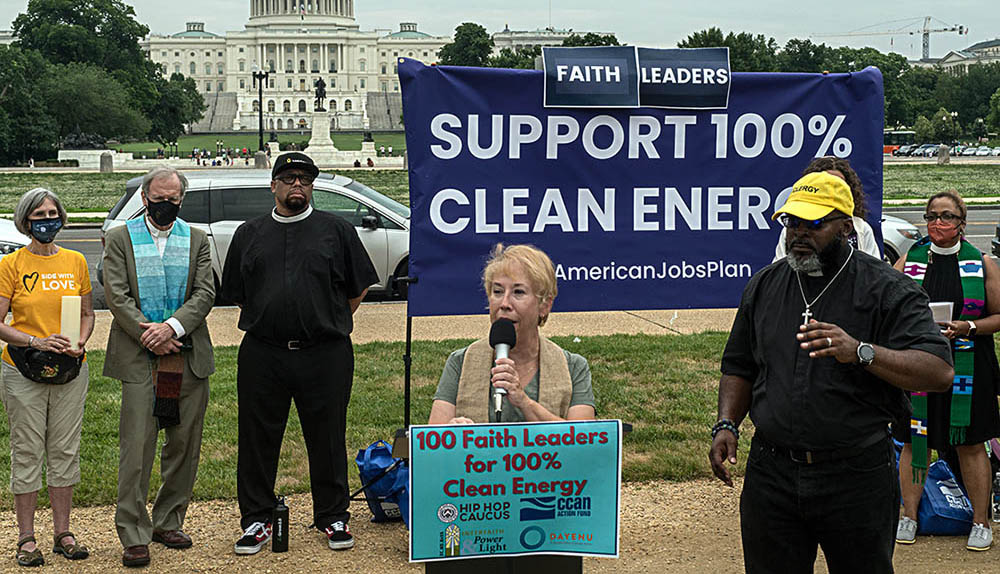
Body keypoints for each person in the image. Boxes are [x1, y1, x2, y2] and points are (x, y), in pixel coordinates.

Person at [709, 170, 954, 574]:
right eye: (793, 222)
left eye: (814, 224)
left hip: (855, 474)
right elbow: (739, 366)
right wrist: (727, 424)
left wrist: (860, 351)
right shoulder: (765, 286)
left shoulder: (887, 289)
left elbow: (939, 370)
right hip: (772, 472)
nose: (800, 233)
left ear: (845, 225)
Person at [221, 152, 378, 556]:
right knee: (257, 438)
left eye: (305, 180)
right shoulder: (249, 233)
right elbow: (239, 294)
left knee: (327, 436)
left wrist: (324, 319)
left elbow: (357, 290)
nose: (297, 186)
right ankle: (256, 517)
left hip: (324, 352)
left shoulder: (336, 231)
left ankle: (332, 515)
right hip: (264, 353)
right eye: (289, 178)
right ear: (273, 185)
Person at [103, 166, 215, 568]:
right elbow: (115, 293)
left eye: (173, 198)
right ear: (145, 197)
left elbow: (206, 292)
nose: (165, 204)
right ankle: (133, 532)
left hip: (186, 355)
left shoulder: (198, 239)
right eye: (158, 197)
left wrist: (171, 327)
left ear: (180, 199)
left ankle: (169, 520)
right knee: (137, 448)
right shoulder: (120, 239)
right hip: (139, 358)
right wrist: (148, 333)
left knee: (184, 445)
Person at [892, 190, 1000, 551]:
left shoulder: (982, 263)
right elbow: (886, 306)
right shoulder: (910, 261)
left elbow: (998, 316)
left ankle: (981, 521)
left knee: (971, 444)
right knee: (913, 440)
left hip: (968, 366)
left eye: (947, 216)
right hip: (919, 364)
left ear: (962, 223)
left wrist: (968, 327)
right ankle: (909, 515)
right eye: (932, 215)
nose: (938, 222)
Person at [0, 188, 94, 567]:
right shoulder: (11, 265)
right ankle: (26, 536)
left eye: (52, 213)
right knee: (27, 450)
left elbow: (87, 313)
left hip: (70, 367)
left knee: (64, 450)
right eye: (38, 214)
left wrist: (81, 341)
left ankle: (63, 532)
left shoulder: (76, 261)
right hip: (22, 367)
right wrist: (35, 339)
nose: (47, 220)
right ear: (26, 221)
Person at [429, 244, 596, 424]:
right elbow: (432, 445)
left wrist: (524, 402)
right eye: (498, 292)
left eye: (518, 292)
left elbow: (584, 442)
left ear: (545, 305)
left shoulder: (574, 367)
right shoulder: (460, 362)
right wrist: (449, 435)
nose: (505, 303)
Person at [773, 156, 879, 261]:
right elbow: (778, 271)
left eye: (838, 186)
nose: (800, 232)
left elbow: (873, 270)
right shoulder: (790, 231)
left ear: (847, 228)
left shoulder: (862, 229)